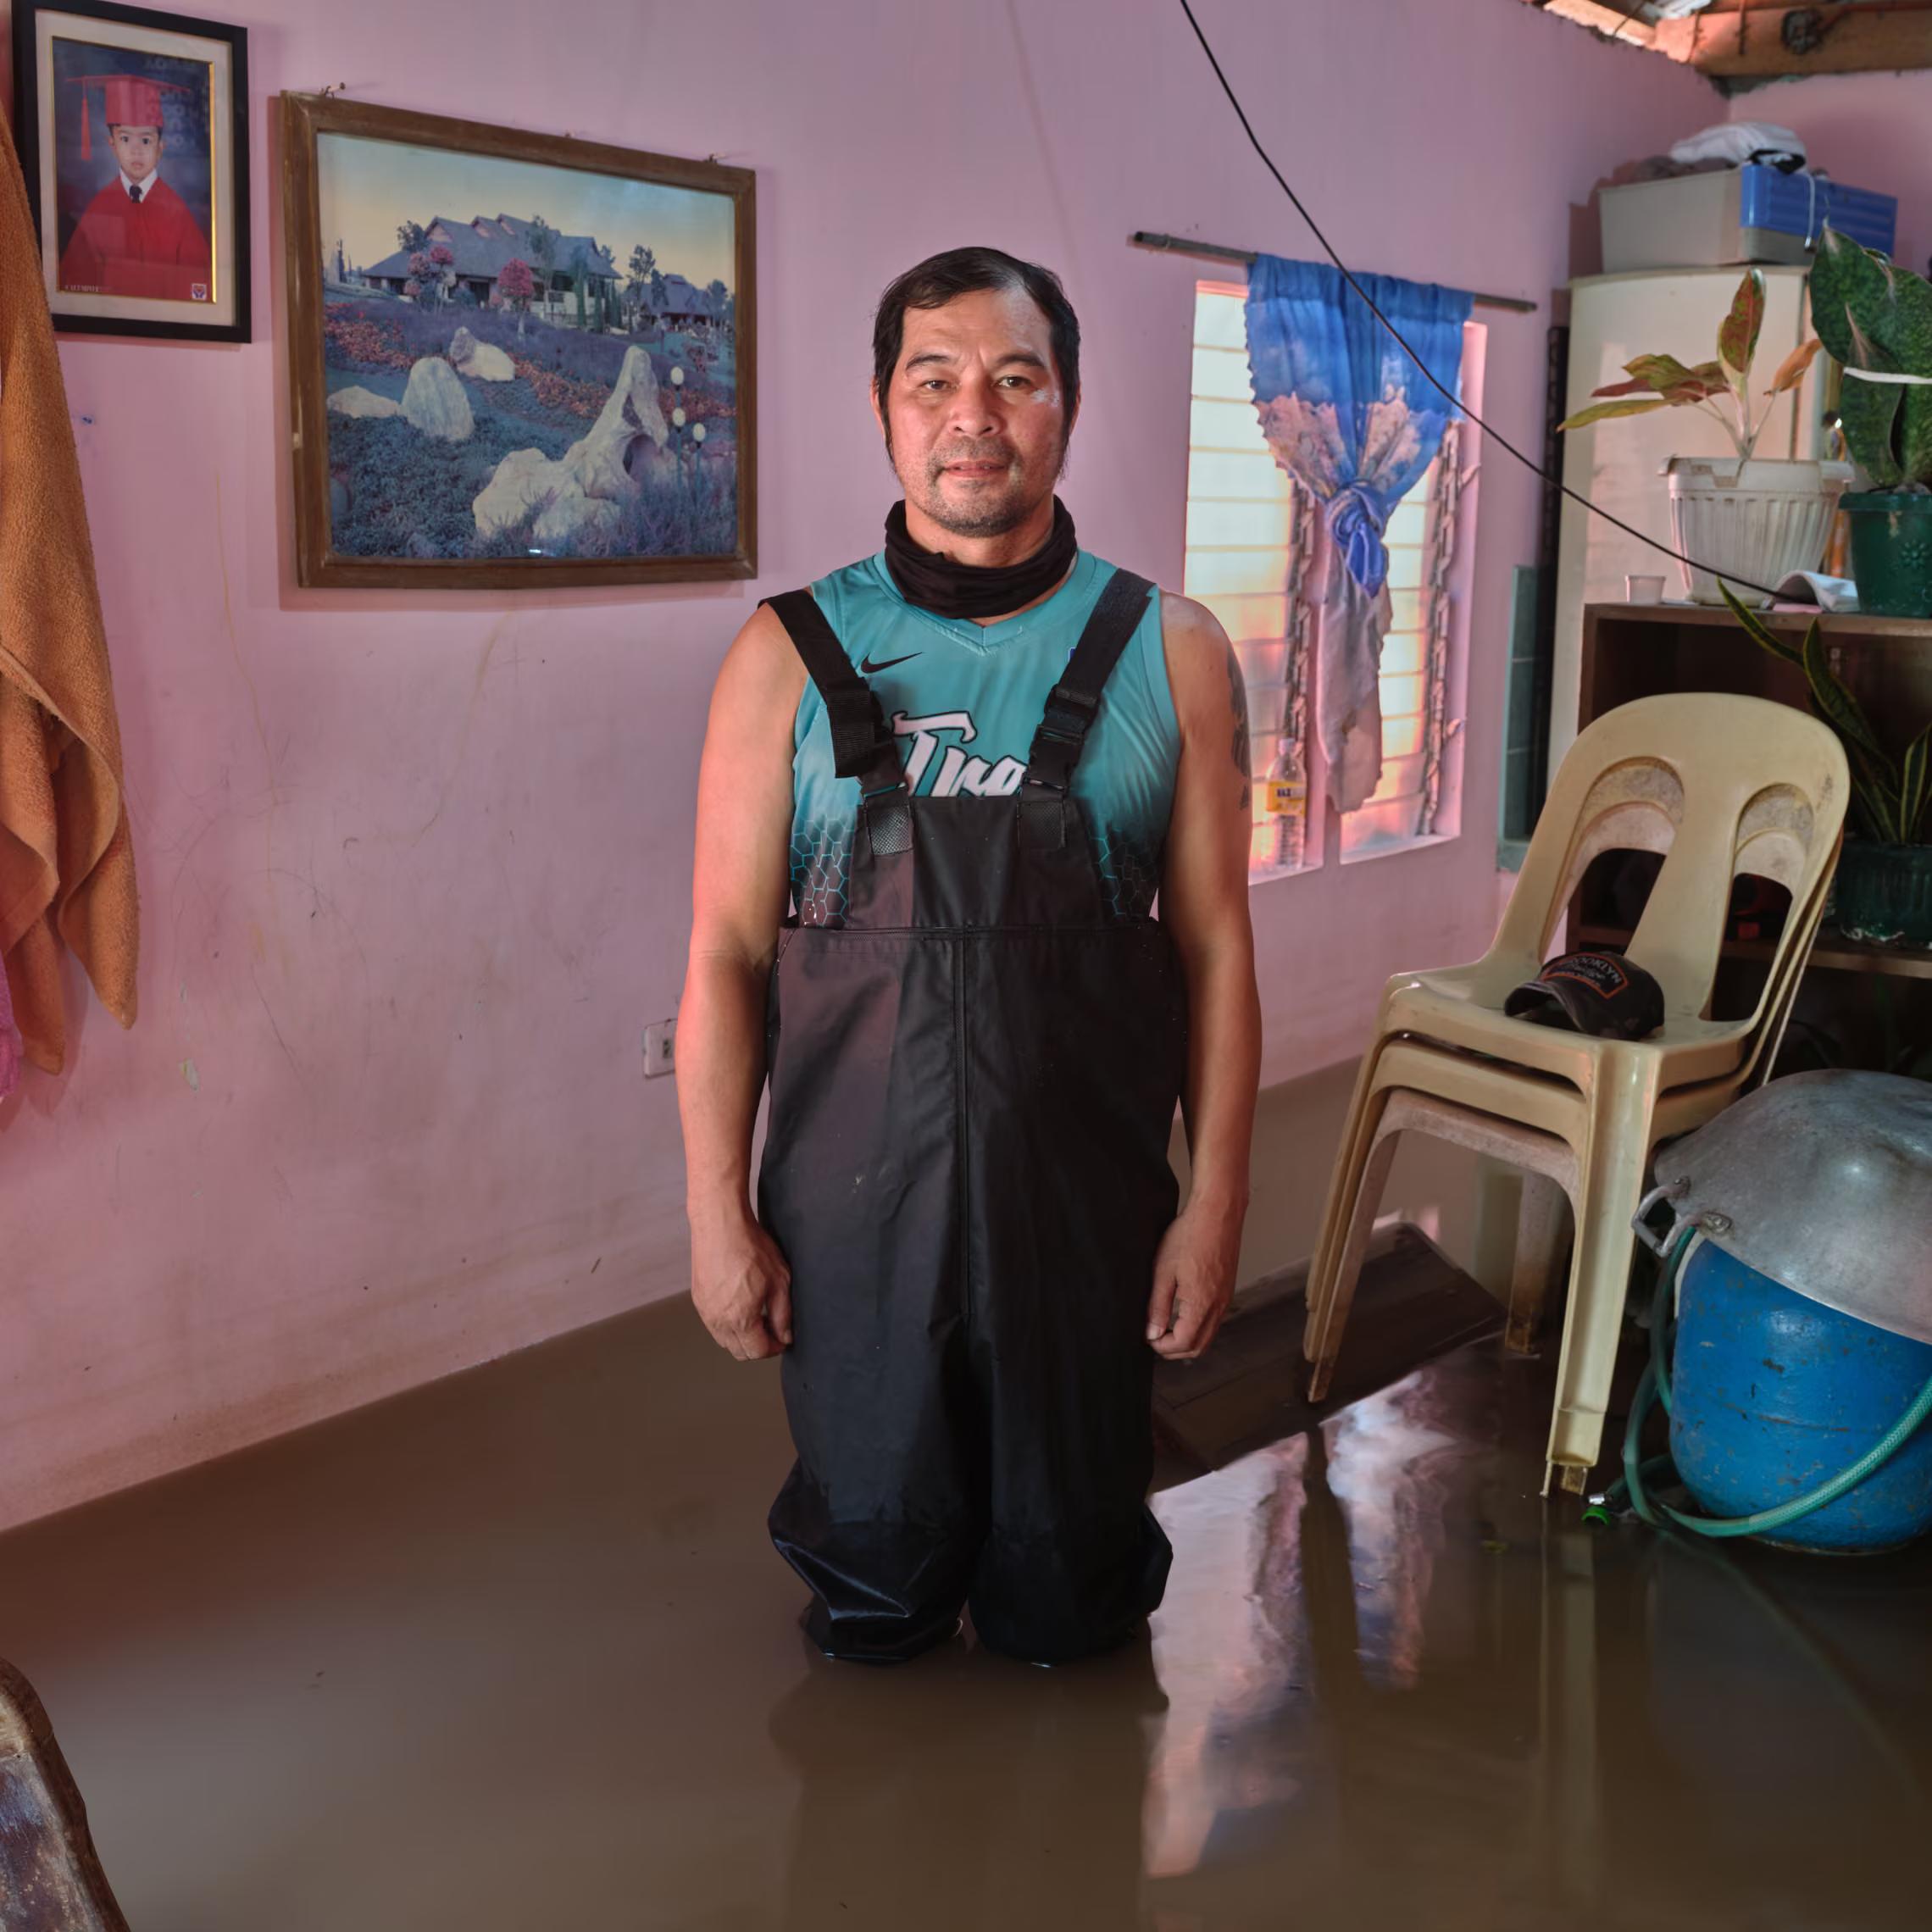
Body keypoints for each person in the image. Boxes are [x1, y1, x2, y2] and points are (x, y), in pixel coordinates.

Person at [678, 247, 1261, 1667]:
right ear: (884, 406)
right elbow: (725, 957)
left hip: (1087, 1214)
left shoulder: (1168, 649)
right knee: (872, 1590)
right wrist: (714, 1215)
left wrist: (1216, 1204)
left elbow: (1218, 953)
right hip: (850, 1222)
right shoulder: (786, 655)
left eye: (1016, 377)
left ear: (1066, 403)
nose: (974, 413)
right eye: (933, 379)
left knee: (1072, 1604)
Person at [58, 74, 211, 304]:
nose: (136, 150)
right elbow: (77, 283)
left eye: (146, 141)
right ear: (112, 145)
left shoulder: (177, 213)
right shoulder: (100, 208)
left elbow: (198, 288)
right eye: (126, 139)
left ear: (161, 148)